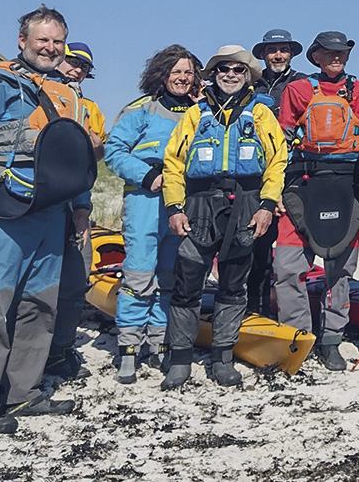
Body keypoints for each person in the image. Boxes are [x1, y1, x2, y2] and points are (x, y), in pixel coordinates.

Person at [0, 6, 95, 434]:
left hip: (52, 216)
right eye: (42, 40)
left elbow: (75, 159)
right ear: (22, 41)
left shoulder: (66, 93)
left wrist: (81, 208)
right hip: (4, 214)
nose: (50, 48)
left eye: (57, 42)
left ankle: (22, 395)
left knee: (39, 306)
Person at [160, 45, 287, 388]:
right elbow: (172, 163)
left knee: (233, 284)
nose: (230, 75)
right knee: (187, 281)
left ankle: (223, 356)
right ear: (214, 74)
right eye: (224, 69)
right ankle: (180, 358)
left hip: (245, 202)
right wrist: (174, 207)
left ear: (248, 76)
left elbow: (277, 162)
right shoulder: (196, 114)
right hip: (199, 202)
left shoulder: (261, 114)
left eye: (238, 70)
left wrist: (266, 204)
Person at [274, 31, 359, 371]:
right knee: (288, 267)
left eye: (342, 52)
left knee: (340, 270)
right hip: (302, 185)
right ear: (315, 56)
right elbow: (280, 143)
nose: (336, 57)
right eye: (328, 52)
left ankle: (331, 339)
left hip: (347, 187)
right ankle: (298, 337)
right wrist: (272, 191)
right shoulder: (297, 90)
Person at [103, 45, 204, 384]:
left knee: (168, 275)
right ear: (162, 74)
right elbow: (113, 151)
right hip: (146, 199)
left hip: (181, 203)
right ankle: (129, 346)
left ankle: (160, 341)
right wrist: (148, 176)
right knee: (138, 274)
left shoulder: (200, 113)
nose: (183, 77)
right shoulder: (141, 111)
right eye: (176, 71)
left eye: (188, 72)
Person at [44, 41, 107, 382]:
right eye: (71, 61)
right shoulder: (34, 93)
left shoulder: (90, 108)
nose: (76, 69)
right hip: (34, 202)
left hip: (74, 200)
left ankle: (60, 350)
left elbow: (90, 158)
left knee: (74, 282)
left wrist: (82, 209)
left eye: (82, 66)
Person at [248, 29, 308, 318]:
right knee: (257, 245)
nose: (278, 55)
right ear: (262, 54)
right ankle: (256, 311)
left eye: (283, 49)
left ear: (292, 53)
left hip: (293, 174)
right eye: (272, 50)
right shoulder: (249, 84)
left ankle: (291, 309)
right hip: (254, 175)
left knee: (290, 248)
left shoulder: (304, 83)